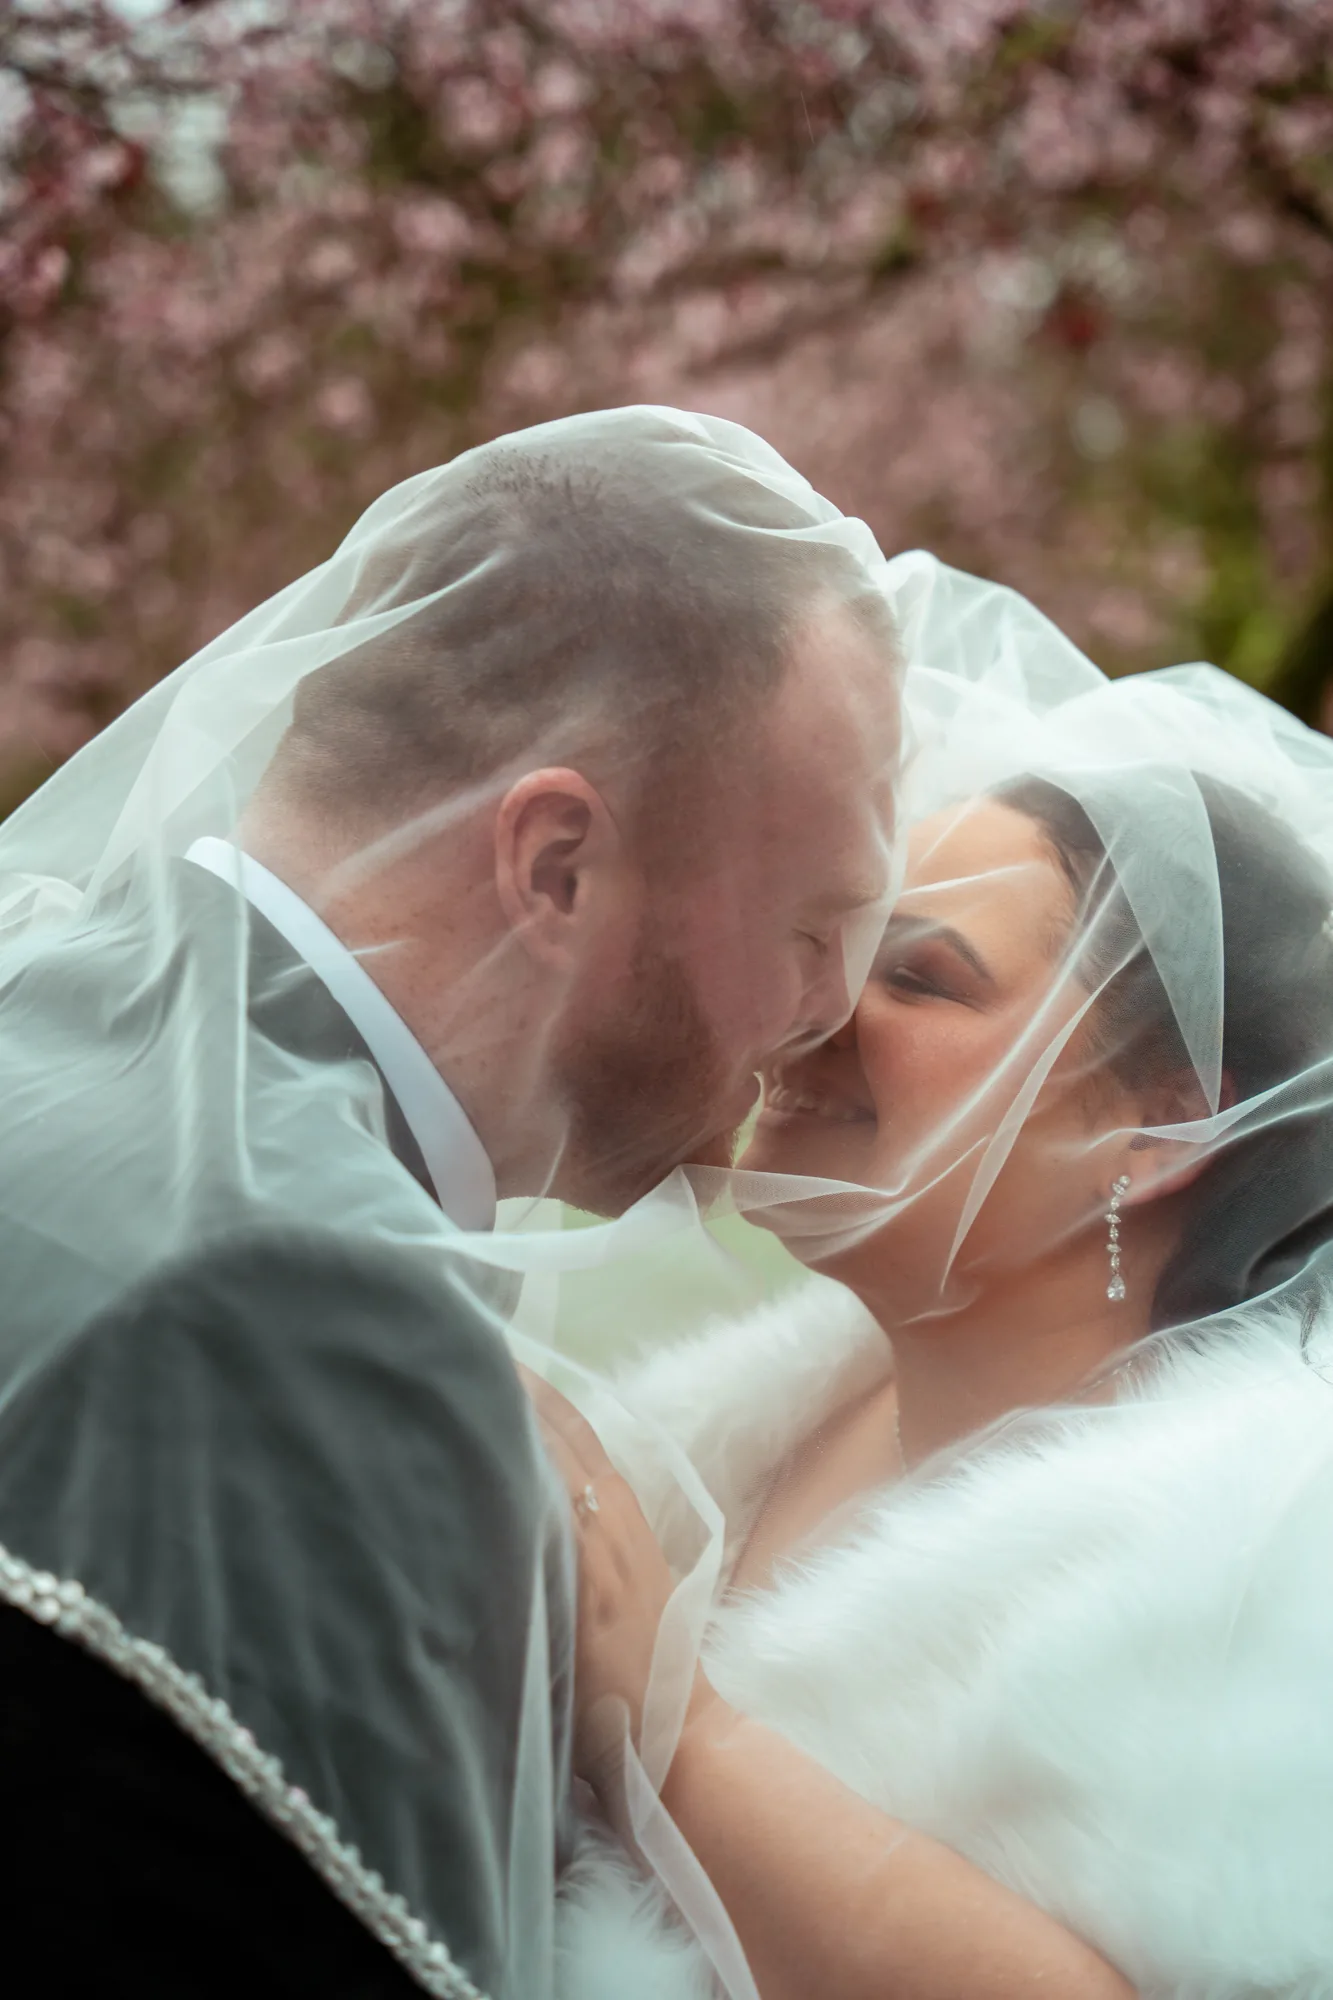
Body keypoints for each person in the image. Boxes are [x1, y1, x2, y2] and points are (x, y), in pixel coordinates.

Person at [0, 408, 903, 1999]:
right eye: (816, 924)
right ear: (556, 866)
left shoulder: (40, 1004)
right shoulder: (315, 1312)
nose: (830, 1012)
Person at [539, 556, 1333, 1999]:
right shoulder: (746, 1428)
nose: (818, 1008)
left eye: (921, 976)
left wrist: (676, 1724)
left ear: (1156, 1129)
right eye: (834, 949)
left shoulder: (1279, 1540)